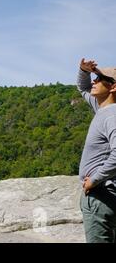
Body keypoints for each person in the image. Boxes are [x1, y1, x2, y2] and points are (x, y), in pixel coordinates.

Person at [78, 58, 116, 243]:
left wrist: (94, 180)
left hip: (101, 195)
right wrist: (84, 71)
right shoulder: (102, 108)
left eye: (99, 78)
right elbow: (83, 88)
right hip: (101, 194)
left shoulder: (111, 115)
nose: (94, 81)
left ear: (113, 87)